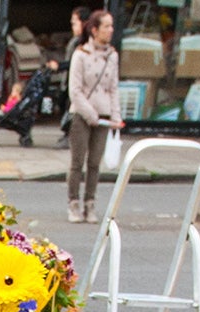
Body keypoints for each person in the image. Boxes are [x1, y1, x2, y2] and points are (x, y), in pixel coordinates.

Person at [67, 11, 122, 223]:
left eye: (112, 26)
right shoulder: (81, 54)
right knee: (77, 162)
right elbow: (75, 90)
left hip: (104, 115)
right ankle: (73, 203)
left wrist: (115, 116)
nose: (111, 30)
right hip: (82, 114)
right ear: (95, 30)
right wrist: (90, 113)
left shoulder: (112, 56)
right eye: (107, 26)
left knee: (94, 163)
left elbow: (114, 88)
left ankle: (90, 203)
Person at [59, 7, 94, 144]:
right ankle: (68, 133)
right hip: (67, 79)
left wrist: (60, 66)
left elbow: (74, 63)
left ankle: (71, 135)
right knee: (64, 104)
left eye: (75, 22)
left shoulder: (84, 43)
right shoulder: (75, 40)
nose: (72, 26)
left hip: (76, 81)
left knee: (72, 108)